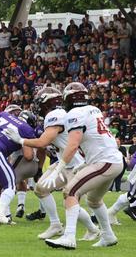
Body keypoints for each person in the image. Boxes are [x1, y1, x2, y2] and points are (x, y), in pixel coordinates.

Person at [27, 83, 121, 249]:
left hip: (103, 162)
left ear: (68, 98)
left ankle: (69, 237)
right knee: (93, 200)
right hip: (111, 160)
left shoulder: (74, 114)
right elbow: (105, 140)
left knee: (70, 192)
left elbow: (73, 145)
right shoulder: (94, 110)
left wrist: (58, 168)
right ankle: (108, 236)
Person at [4, 87, 99, 240]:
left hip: (74, 164)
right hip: (66, 161)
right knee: (41, 188)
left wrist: (20, 140)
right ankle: (56, 225)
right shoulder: (61, 114)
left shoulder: (55, 115)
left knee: (70, 199)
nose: (37, 106)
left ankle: (90, 230)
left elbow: (43, 142)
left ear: (47, 103)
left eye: (39, 102)